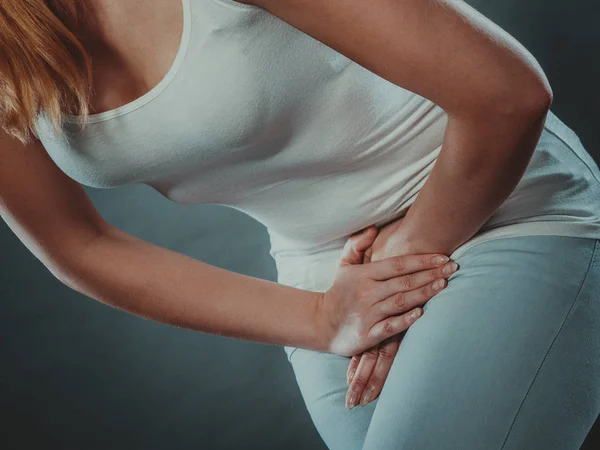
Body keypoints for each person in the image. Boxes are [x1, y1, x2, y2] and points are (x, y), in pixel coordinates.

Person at [1, 0, 599, 449]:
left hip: (505, 200)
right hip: (329, 275)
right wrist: (319, 318)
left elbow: (504, 94)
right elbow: (78, 245)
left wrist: (407, 251)